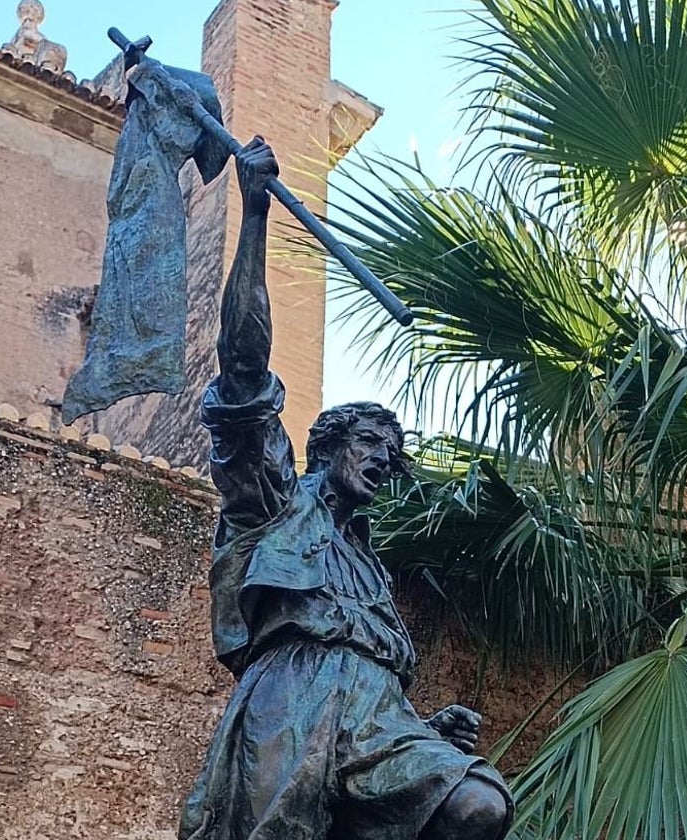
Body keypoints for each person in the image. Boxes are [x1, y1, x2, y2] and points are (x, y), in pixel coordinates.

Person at [178, 137, 513, 840]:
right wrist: (257, 214)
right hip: (288, 701)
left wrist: (419, 724)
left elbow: (361, 662)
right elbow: (242, 370)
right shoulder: (274, 502)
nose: (385, 462)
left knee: (477, 805)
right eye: (371, 445)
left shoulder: (365, 558)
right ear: (328, 445)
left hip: (377, 716)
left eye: (393, 456)